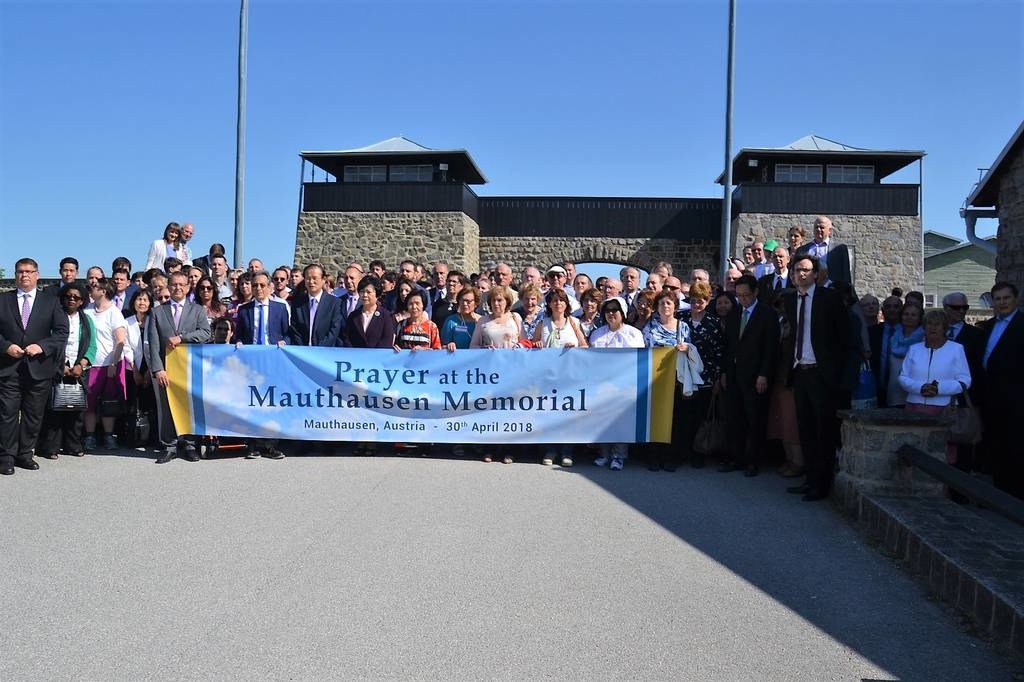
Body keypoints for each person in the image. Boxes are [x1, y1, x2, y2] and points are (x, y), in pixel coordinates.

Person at [782, 254, 852, 502]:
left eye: (806, 270)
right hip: (800, 372)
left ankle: (822, 485)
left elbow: (844, 337)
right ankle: (810, 480)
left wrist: (838, 375)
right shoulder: (790, 300)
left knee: (825, 431)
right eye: (797, 270)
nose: (800, 274)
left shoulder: (829, 298)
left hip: (823, 375)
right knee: (806, 430)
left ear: (816, 274)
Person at [145, 271, 211, 463]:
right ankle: (169, 446)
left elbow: (206, 333)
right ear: (169, 286)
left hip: (189, 368)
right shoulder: (157, 312)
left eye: (182, 284)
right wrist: (158, 369)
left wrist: (182, 338)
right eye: (174, 284)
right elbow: (154, 342)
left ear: (188, 286)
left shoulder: (197, 310)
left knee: (188, 407)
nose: (178, 288)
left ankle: (189, 444)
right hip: (166, 368)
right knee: (166, 408)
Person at [719, 275, 779, 477]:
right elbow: (728, 346)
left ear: (756, 293)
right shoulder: (735, 314)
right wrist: (725, 372)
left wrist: (763, 374)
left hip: (755, 377)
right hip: (734, 374)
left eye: (746, 295)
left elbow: (770, 349)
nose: (743, 299)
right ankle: (735, 458)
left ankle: (753, 461)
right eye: (739, 295)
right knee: (734, 418)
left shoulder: (767, 315)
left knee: (755, 420)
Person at [898, 310, 971, 464]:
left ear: (944, 328)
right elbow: (903, 377)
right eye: (929, 324)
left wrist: (939, 389)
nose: (933, 328)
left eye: (937, 324)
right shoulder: (914, 349)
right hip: (915, 407)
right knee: (914, 453)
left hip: (943, 410)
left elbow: (965, 380)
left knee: (941, 456)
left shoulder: (956, 349)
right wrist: (920, 388)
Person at [234, 271, 289, 460]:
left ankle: (271, 445)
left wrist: (284, 342)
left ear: (269, 287)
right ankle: (252, 445)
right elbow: (239, 334)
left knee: (271, 403)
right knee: (252, 403)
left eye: (262, 285)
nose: (258, 289)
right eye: (255, 285)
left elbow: (287, 333)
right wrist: (239, 341)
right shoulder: (244, 309)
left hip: (273, 362)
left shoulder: (280, 308)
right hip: (252, 363)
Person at [38, 283, 96, 460]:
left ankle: (73, 445)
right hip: (56, 369)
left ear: (82, 301)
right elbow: (47, 341)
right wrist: (59, 365)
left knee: (75, 410)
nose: (71, 299)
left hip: (78, 370)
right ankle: (51, 447)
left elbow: (92, 345)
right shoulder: (53, 317)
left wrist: (82, 365)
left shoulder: (87, 321)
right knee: (54, 409)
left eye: (76, 297)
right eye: (68, 296)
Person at [533, 288, 587, 467]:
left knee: (567, 415)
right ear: (549, 304)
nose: (558, 303)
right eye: (554, 300)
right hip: (547, 377)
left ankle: (566, 451)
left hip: (569, 376)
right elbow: (530, 346)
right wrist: (537, 344)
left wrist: (576, 347)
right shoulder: (543, 323)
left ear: (567, 303)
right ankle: (550, 450)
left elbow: (585, 347)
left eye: (561, 300)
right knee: (547, 415)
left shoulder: (574, 322)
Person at [589, 297, 644, 471]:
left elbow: (639, 359)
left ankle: (618, 456)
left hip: (624, 384)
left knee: (621, 421)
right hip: (601, 385)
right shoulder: (597, 334)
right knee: (602, 420)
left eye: (615, 310)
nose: (611, 314)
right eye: (607, 310)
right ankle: (604, 454)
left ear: (623, 313)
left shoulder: (634, 333)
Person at [979, 282, 1024, 499]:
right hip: (991, 396)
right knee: (994, 444)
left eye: (1006, 298)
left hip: (1016, 398)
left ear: (1015, 299)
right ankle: (997, 493)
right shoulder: (988, 326)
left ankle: (1014, 496)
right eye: (998, 299)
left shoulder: (1022, 325)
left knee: (1014, 446)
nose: (1002, 302)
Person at [470, 286, 523, 464]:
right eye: (493, 300)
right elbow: (472, 347)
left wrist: (517, 348)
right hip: (489, 373)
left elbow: (524, 343)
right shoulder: (483, 321)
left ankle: (510, 450)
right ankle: (490, 449)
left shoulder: (516, 318)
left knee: (510, 411)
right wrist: (485, 349)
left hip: (512, 372)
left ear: (507, 301)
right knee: (490, 411)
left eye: (500, 300)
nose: (496, 303)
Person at [642, 289, 692, 472]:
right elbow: (644, 350)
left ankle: (672, 457)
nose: (665, 306)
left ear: (675, 307)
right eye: (661, 303)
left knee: (675, 420)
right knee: (655, 419)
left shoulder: (683, 327)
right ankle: (654, 457)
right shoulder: (650, 327)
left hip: (677, 380)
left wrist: (686, 348)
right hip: (655, 380)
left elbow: (691, 351)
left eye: (668, 303)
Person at [678, 281, 724, 468]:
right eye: (694, 300)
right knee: (684, 415)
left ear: (708, 301)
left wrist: (718, 378)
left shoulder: (713, 323)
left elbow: (719, 351)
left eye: (701, 301)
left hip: (706, 377)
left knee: (701, 416)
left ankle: (699, 452)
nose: (697, 304)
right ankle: (683, 451)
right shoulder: (681, 319)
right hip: (683, 377)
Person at [82, 277, 129, 451]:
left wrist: (113, 363)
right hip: (90, 364)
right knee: (90, 402)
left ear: (103, 291)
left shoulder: (114, 312)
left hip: (108, 364)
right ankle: (90, 436)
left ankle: (109, 436)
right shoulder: (87, 311)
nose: (90, 290)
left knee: (108, 402)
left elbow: (120, 341)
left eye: (94, 287)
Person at [288, 264, 344, 348]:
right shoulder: (297, 304)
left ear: (323, 280)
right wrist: (303, 348)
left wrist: (319, 349)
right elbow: (295, 330)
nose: (311, 282)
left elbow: (334, 330)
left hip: (325, 352)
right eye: (308, 278)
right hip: (302, 352)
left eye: (315, 278)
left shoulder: (335, 303)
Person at [885, 302, 924, 408]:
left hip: (916, 394)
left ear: (919, 318)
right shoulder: (893, 338)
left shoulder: (924, 339)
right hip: (894, 393)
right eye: (906, 314)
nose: (909, 317)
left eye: (913, 315)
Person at [795, 215, 852, 285]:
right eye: (816, 227)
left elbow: (846, 275)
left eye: (822, 227)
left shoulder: (840, 249)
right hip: (809, 290)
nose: (818, 229)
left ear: (829, 230)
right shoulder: (802, 250)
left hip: (832, 291)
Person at [345, 276, 395, 350]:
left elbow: (387, 341)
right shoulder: (353, 316)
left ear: (377, 294)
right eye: (362, 291)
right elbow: (347, 339)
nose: (365, 295)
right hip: (356, 358)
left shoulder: (386, 316)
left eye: (368, 292)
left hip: (377, 359)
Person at [441, 287, 480, 351]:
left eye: (468, 301)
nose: (465, 304)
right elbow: (442, 346)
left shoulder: (481, 321)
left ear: (476, 303)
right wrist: (449, 345)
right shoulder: (451, 321)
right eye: (462, 300)